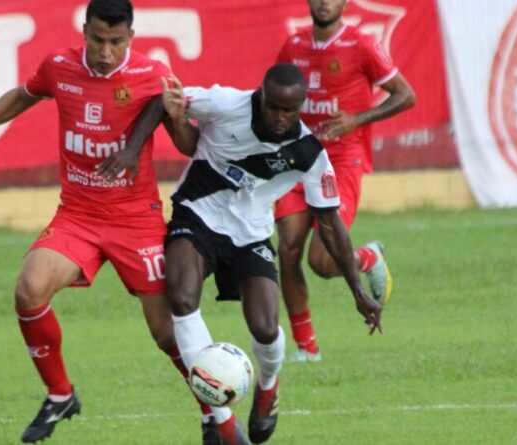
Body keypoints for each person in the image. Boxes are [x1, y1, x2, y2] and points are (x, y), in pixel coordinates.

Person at [0, 1, 219, 443]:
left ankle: (212, 414)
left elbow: (189, 144)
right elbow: (23, 95)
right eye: (98, 39)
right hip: (77, 215)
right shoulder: (59, 66)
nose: (105, 51)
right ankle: (60, 394)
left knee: (165, 332)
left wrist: (176, 114)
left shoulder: (151, 74)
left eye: (116, 42)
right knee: (29, 289)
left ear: (130, 38)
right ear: (85, 31)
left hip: (136, 220)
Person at [149, 65, 383, 445]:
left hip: (251, 233)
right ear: (259, 96)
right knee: (182, 298)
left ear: (300, 107)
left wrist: (357, 289)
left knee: (264, 327)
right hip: (197, 214)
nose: (279, 117)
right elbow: (167, 103)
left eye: (288, 110)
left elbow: (329, 224)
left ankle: (269, 384)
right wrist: (168, 121)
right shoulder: (226, 103)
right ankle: (223, 423)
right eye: (272, 106)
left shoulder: (308, 153)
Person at [274, 0, 416, 362]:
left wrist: (357, 119)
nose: (324, 2)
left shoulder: (362, 45)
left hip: (340, 161)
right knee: (288, 249)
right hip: (298, 159)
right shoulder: (294, 46)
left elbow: (406, 95)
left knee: (322, 262)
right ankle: (307, 347)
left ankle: (367, 256)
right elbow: (274, 100)